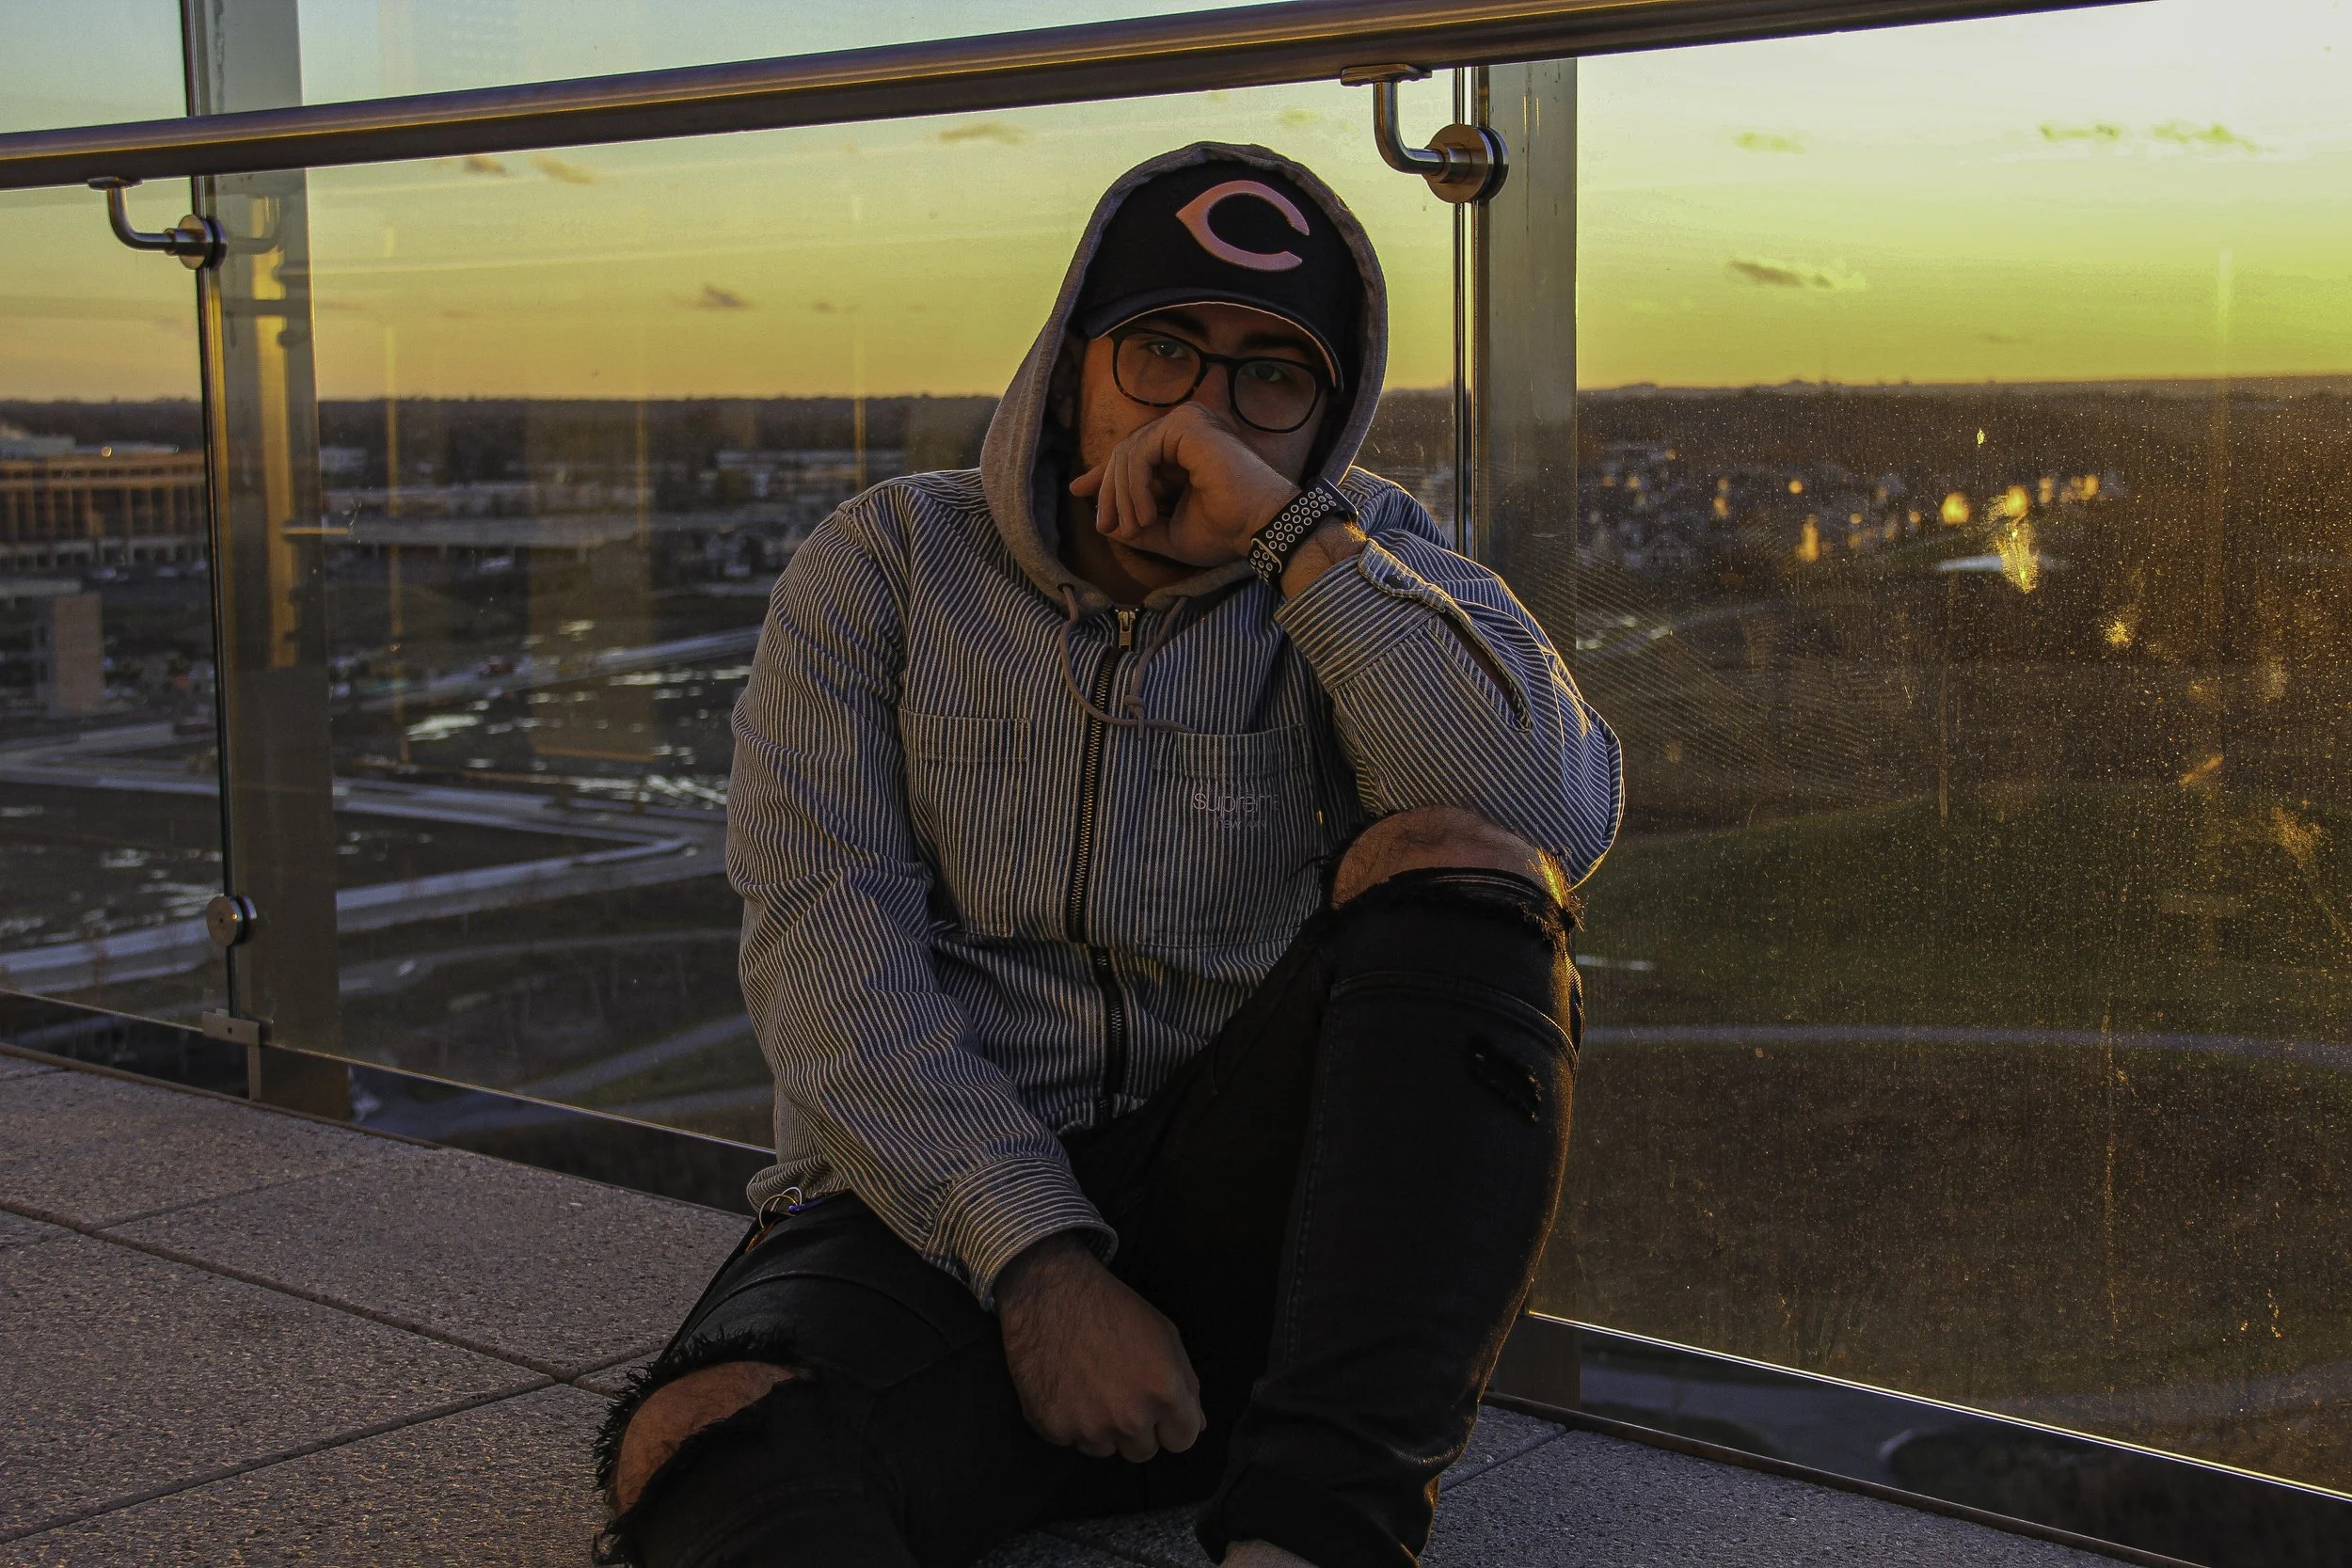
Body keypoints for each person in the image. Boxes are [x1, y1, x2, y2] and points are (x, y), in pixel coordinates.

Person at [595, 142, 1622, 1568]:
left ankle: (1314, 1533)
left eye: (1274, 376)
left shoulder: (1366, 560)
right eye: (1162, 350)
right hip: (935, 1216)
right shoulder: (886, 565)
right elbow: (828, 957)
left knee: (1457, 861)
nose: (1203, 412)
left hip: (1260, 1233)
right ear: (1072, 363)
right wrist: (1038, 1264)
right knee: (696, 1438)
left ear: (1329, 422)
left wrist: (1295, 541)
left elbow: (1540, 827)